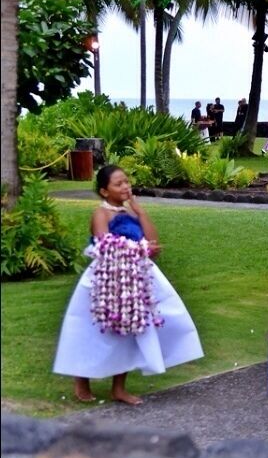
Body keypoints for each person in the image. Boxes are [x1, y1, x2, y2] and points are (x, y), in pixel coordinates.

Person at [53, 165, 204, 405]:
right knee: (93, 330)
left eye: (126, 181)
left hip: (136, 277)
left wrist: (140, 212)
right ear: (104, 191)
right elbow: (105, 244)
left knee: (129, 330)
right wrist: (138, 249)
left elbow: (152, 242)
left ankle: (119, 387)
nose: (125, 186)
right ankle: (82, 379)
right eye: (118, 184)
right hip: (107, 278)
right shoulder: (100, 214)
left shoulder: (131, 214)